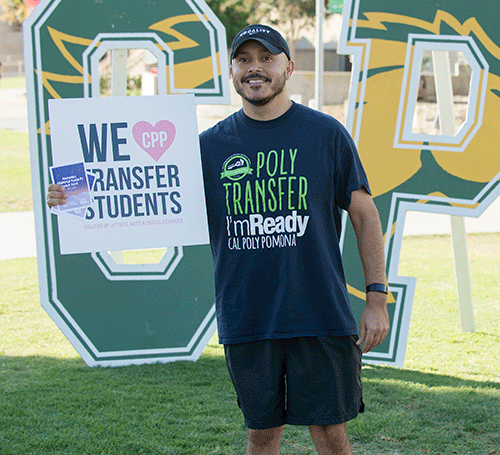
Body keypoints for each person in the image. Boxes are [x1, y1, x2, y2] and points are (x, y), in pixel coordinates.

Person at [47, 24, 390, 455]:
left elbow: (365, 213)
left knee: (331, 435)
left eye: (266, 58)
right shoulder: (207, 148)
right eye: (244, 60)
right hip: (248, 316)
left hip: (319, 312)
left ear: (289, 66)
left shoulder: (325, 133)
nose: (255, 68)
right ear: (232, 71)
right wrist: (71, 195)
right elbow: (140, 194)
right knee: (261, 436)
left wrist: (376, 297)